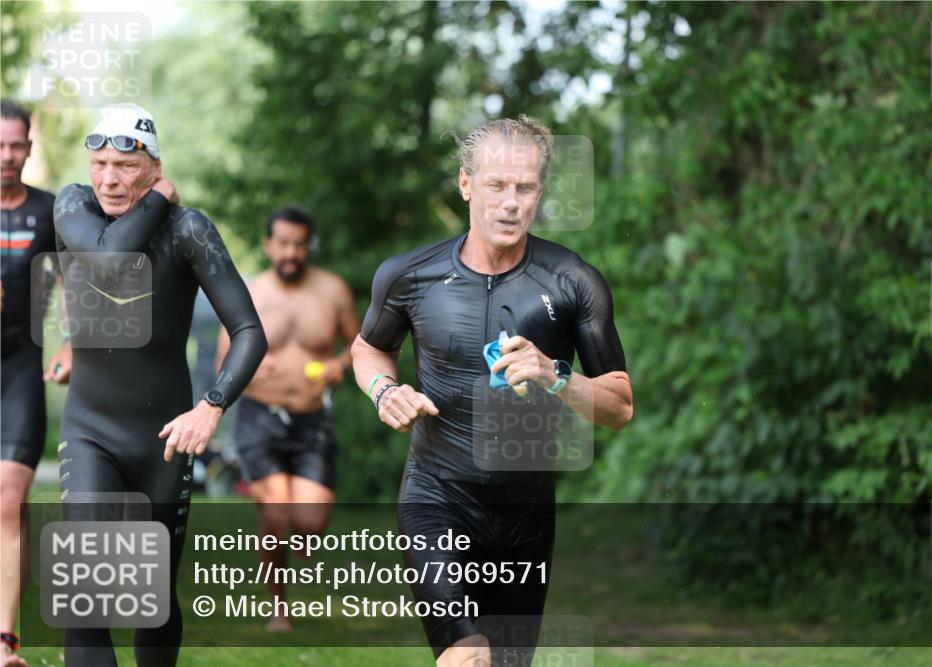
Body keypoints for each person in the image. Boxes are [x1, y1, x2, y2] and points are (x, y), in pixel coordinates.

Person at [352, 116, 633, 666]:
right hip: (436, 497)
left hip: (526, 513)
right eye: (496, 186)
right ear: (465, 185)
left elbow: (620, 405)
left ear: (540, 193)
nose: (511, 203)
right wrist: (385, 391)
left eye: (525, 188)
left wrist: (556, 375)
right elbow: (367, 349)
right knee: (468, 656)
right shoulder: (409, 275)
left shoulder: (572, 281)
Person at [53, 103, 266, 667]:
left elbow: (248, 331)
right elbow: (109, 260)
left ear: (153, 165)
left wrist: (211, 405)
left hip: (166, 437)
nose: (109, 178)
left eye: (125, 165)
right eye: (100, 162)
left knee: (151, 600)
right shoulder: (71, 204)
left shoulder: (188, 230)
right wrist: (157, 199)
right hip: (90, 428)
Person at [218, 205, 360, 631]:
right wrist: (248, 369)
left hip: (313, 418)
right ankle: (279, 610)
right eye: (283, 243)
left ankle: (299, 528)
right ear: (268, 245)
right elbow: (224, 358)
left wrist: (340, 364)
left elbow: (360, 345)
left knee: (310, 523)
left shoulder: (332, 291)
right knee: (276, 514)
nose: (291, 252)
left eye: (299, 244)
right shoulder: (251, 292)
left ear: (307, 245)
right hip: (260, 415)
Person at [0, 98, 72, 667]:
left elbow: (79, 281)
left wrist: (74, 339)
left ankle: (5, 642)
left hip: (21, 367)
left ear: (29, 147)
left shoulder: (51, 211)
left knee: (9, 498)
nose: (6, 156)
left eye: (16, 145)